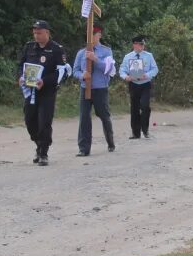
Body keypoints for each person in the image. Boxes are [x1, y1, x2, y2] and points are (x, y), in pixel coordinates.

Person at [18, 20, 68, 166]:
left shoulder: (56, 49)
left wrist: (44, 81)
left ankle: (43, 152)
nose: (36, 35)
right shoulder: (29, 47)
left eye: (39, 33)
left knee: (44, 122)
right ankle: (39, 144)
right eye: (34, 33)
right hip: (30, 91)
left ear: (47, 33)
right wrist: (20, 76)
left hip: (47, 91)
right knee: (29, 120)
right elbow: (21, 65)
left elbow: (61, 72)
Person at [74, 24, 116, 155]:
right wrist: (82, 75)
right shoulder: (81, 52)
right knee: (84, 118)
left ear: (99, 35)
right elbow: (75, 70)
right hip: (85, 88)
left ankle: (110, 142)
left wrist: (95, 59)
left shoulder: (106, 51)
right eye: (89, 35)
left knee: (104, 116)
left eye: (94, 34)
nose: (91, 37)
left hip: (100, 89)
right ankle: (84, 149)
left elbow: (109, 69)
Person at [120, 34, 159, 139]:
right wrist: (126, 77)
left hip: (145, 84)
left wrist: (146, 75)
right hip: (133, 84)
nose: (142, 46)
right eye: (140, 44)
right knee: (134, 108)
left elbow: (155, 69)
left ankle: (145, 130)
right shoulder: (128, 57)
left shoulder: (148, 56)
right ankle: (135, 133)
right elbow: (122, 70)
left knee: (145, 106)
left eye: (143, 44)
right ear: (135, 45)